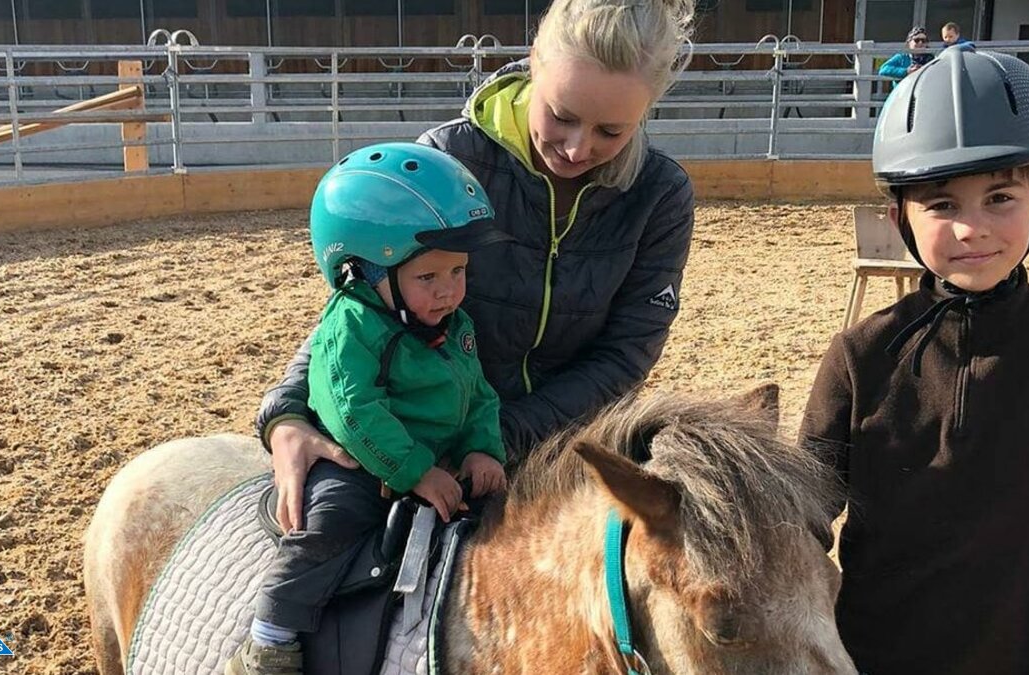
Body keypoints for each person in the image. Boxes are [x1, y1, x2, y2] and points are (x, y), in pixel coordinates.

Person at [256, 0, 697, 536]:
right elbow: (362, 306)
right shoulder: (446, 159)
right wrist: (286, 414)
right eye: (561, 115)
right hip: (426, 431)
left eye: (611, 131)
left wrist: (493, 439)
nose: (579, 148)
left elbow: (625, 354)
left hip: (563, 439)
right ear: (534, 61)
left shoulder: (660, 196)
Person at [800, 45, 1029, 675]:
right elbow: (803, 518)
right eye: (943, 205)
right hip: (871, 656)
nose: (972, 229)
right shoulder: (861, 356)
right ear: (899, 216)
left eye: (1000, 198)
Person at [227, 143, 510, 675]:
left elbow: (479, 394)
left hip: (436, 460)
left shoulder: (454, 326)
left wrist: (481, 449)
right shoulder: (353, 326)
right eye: (428, 277)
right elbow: (352, 409)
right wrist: (414, 471)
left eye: (459, 271)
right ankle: (270, 634)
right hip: (362, 457)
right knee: (330, 521)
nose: (449, 291)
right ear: (362, 270)